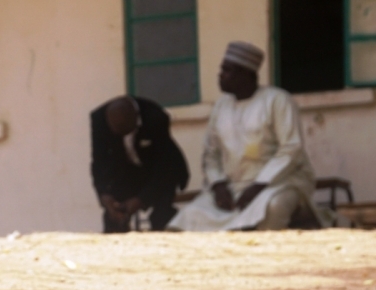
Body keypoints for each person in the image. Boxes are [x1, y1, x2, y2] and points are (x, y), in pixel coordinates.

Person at [168, 41, 317, 231]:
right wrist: (218, 184)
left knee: (272, 208)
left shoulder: (277, 100)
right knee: (189, 216)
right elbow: (211, 155)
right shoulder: (221, 107)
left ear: (246, 74)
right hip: (233, 187)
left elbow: (291, 148)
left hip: (281, 183)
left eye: (227, 70)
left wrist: (259, 185)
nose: (220, 75)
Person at [90, 96, 189, 233]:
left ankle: (166, 247)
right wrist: (104, 194)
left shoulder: (156, 117)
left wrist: (141, 199)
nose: (124, 138)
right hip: (127, 170)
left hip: (162, 171)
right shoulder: (98, 120)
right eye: (118, 134)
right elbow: (99, 162)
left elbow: (164, 166)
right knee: (113, 215)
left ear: (136, 118)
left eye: (127, 131)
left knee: (161, 215)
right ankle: (115, 248)